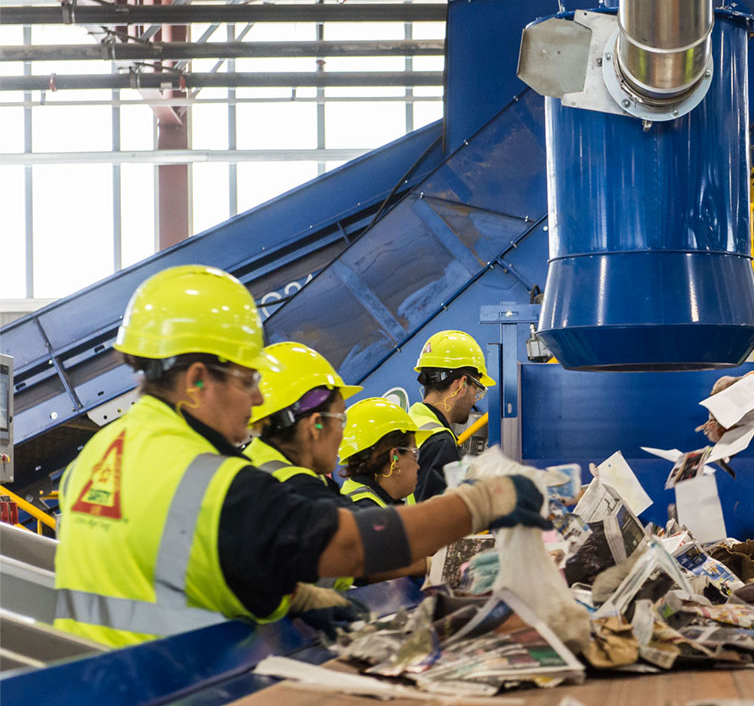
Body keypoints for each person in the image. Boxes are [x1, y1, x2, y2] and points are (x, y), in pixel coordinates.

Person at [51, 265, 548, 649]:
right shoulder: (207, 479)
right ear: (198, 380)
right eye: (247, 380)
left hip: (93, 698)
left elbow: (165, 567)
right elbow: (349, 545)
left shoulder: (95, 457)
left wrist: (293, 596)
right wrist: (481, 502)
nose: (255, 401)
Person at [244, 341, 363, 592]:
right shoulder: (294, 485)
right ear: (316, 424)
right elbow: (369, 544)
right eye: (341, 420)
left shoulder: (256, 465)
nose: (343, 433)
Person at [410, 330, 494, 502]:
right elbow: (439, 514)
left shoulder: (411, 421)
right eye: (476, 390)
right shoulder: (439, 442)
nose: (474, 399)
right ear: (462, 384)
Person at [339, 397, 421, 509]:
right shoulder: (370, 513)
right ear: (395, 458)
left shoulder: (353, 501)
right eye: (414, 455)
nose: (418, 466)